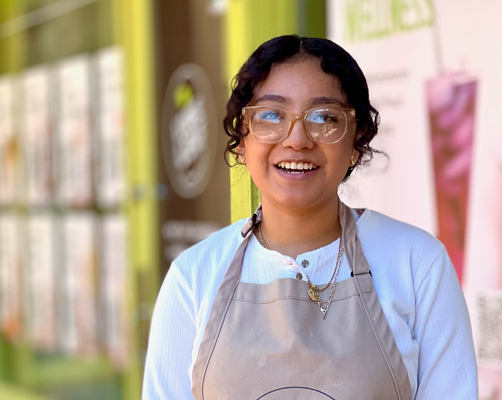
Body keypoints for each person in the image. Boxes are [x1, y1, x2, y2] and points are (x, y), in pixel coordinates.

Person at [143, 35, 477, 400]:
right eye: (271, 115)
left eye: (324, 117)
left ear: (357, 138)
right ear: (242, 141)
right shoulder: (193, 277)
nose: (297, 139)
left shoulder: (417, 264)